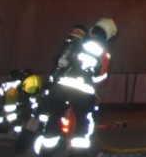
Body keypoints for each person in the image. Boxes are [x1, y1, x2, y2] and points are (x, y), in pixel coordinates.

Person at [33, 18, 115, 154]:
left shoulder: (77, 40)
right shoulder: (103, 51)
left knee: (53, 120)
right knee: (83, 126)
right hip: (82, 93)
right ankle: (78, 154)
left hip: (59, 88)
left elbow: (61, 62)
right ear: (108, 34)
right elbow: (100, 78)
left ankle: (46, 152)